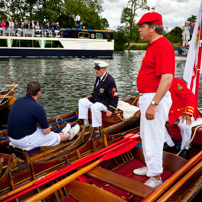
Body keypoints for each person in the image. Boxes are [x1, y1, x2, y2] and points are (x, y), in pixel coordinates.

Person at [133, 12, 175, 188]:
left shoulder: (162, 46)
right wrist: (142, 98)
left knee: (154, 138)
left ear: (152, 28)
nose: (140, 31)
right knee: (146, 136)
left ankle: (156, 177)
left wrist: (154, 104)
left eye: (142, 27)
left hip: (155, 98)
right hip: (149, 96)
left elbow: (167, 78)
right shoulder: (153, 45)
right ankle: (150, 167)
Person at [8, 81, 80, 148]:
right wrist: (43, 129)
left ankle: (63, 133)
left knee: (39, 131)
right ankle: (69, 135)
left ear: (26, 90)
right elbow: (46, 132)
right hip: (23, 141)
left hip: (11, 138)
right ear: (39, 93)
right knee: (51, 136)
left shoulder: (17, 101)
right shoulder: (38, 108)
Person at [164, 77, 199, 159]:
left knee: (184, 124)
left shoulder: (175, 82)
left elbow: (190, 96)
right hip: (170, 112)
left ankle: (185, 148)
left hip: (183, 110)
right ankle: (169, 143)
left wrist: (188, 113)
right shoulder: (155, 82)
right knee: (154, 120)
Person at [78, 61, 119, 128]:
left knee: (94, 107)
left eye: (98, 69)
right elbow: (96, 89)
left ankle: (97, 127)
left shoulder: (109, 80)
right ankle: (86, 123)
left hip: (104, 102)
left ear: (104, 69)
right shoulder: (99, 77)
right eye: (95, 69)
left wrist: (111, 109)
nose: (96, 71)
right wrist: (90, 95)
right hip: (96, 99)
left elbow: (115, 95)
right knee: (82, 101)